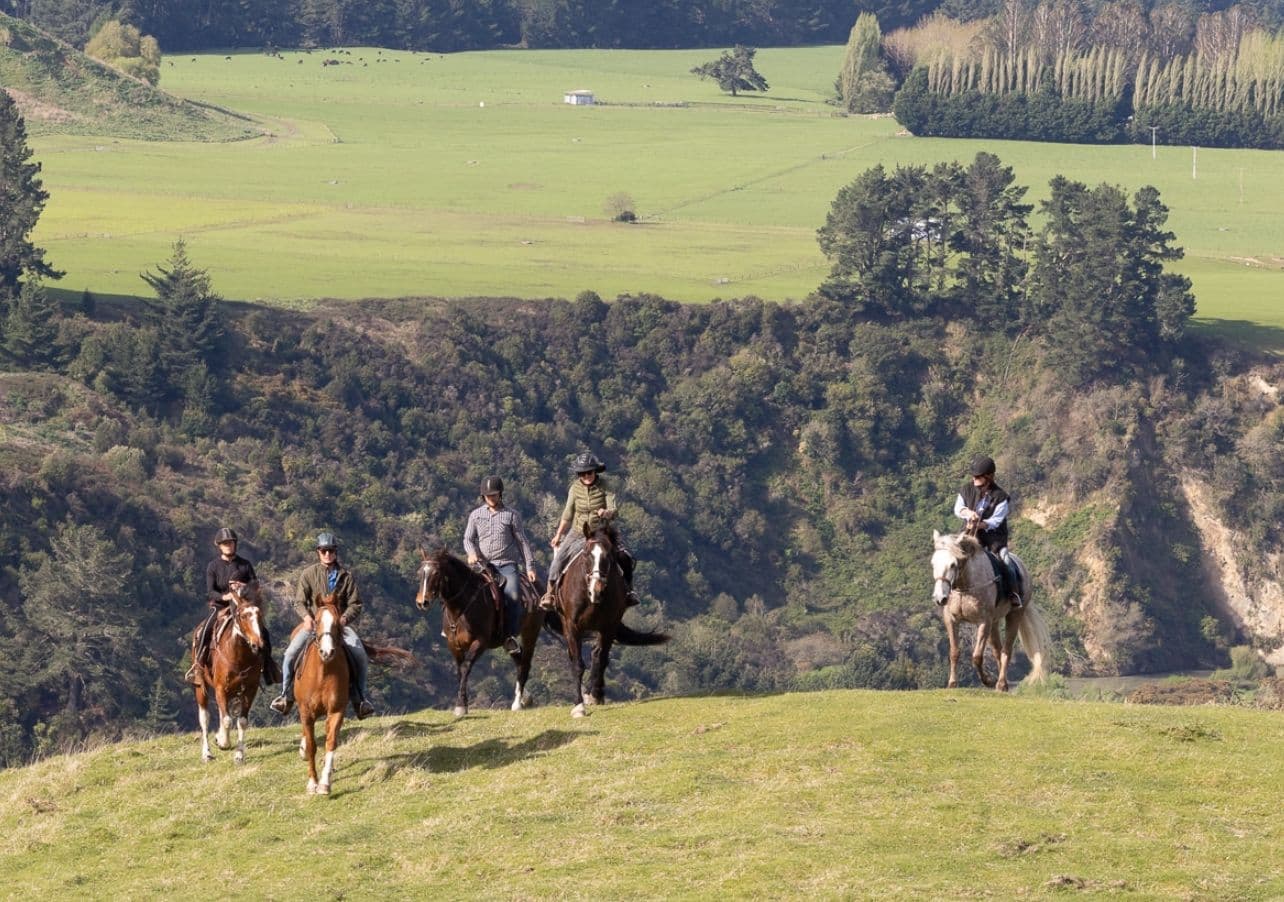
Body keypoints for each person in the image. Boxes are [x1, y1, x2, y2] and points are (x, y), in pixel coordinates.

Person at [269, 532, 375, 719]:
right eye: (324, 550)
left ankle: (360, 700)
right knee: (290, 654)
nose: (327, 554)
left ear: (335, 552)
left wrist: (344, 619)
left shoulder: (346, 576)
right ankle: (285, 696)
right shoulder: (308, 574)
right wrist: (306, 617)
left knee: (360, 654)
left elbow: (355, 603)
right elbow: (299, 601)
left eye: (331, 550)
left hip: (339, 625)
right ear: (318, 552)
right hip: (314, 625)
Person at [540, 451, 639, 610]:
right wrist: (558, 535)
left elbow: (614, 509)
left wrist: (606, 513)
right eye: (582, 473)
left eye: (589, 472)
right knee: (558, 562)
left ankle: (629, 592)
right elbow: (568, 513)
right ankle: (550, 594)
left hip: (601, 532)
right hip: (578, 531)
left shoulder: (606, 485)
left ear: (595, 471)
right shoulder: (574, 488)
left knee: (624, 557)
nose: (586, 475)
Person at [186, 527, 279, 686]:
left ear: (235, 544)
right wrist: (225, 596)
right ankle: (198, 667)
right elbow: (210, 591)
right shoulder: (213, 566)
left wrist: (242, 587)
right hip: (220, 606)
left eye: (231, 543)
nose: (228, 546)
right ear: (219, 546)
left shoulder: (245, 565)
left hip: (242, 606)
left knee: (263, 632)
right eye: (225, 543)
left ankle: (268, 667)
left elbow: (255, 585)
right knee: (204, 631)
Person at [464, 475, 538, 654]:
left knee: (513, 595)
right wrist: (471, 553)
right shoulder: (475, 515)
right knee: (461, 588)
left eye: (494, 495)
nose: (491, 498)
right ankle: (452, 627)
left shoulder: (511, 515)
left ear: (500, 494)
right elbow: (468, 538)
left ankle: (509, 636)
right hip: (482, 565)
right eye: (488, 495)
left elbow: (522, 542)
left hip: (506, 565)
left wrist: (530, 566)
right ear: (483, 496)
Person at [954, 455, 1022, 609]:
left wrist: (980, 524)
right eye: (974, 476)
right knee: (950, 554)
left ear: (990, 476)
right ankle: (948, 588)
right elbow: (958, 508)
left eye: (979, 476)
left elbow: (995, 522)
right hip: (969, 533)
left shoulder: (1001, 497)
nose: (975, 479)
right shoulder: (966, 489)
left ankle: (1013, 592)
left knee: (1005, 559)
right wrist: (968, 513)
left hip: (993, 537)